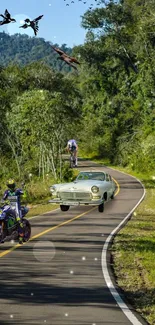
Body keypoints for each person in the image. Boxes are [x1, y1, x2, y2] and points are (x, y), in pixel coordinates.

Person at [1, 179, 26, 244]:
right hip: (8, 206)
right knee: (1, 213)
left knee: (19, 221)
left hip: (16, 207)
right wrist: (3, 201)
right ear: (8, 186)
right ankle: (3, 234)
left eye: (12, 185)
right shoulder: (7, 191)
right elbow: (3, 199)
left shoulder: (18, 190)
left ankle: (21, 237)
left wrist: (23, 188)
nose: (11, 187)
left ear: (14, 185)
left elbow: (24, 195)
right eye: (10, 186)